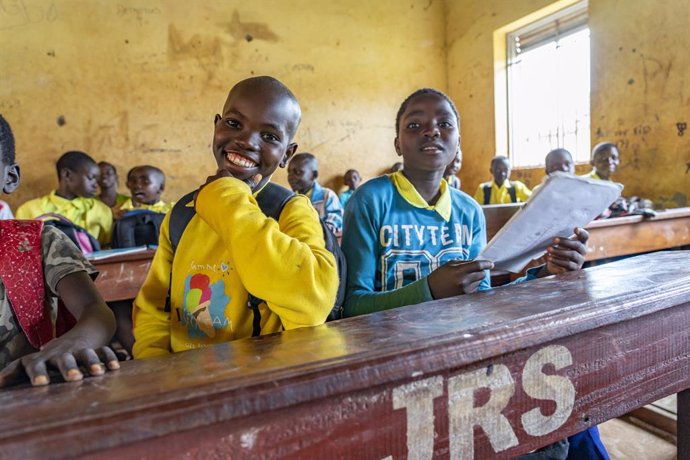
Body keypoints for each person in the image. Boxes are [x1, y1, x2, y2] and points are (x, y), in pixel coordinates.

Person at [341, 89, 607, 460]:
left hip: (463, 352)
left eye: (444, 124)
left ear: (458, 142)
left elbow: (483, 300)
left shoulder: (467, 210)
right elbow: (352, 306)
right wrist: (430, 289)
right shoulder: (371, 200)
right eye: (415, 125)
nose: (431, 132)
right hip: (396, 362)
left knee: (566, 412)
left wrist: (548, 271)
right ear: (397, 143)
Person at [132, 76, 338, 358]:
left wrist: (227, 198)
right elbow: (154, 311)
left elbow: (312, 304)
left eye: (269, 136)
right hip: (182, 385)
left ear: (287, 154)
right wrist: (156, 371)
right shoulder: (182, 213)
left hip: (257, 387)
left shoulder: (291, 210)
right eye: (234, 123)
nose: (245, 141)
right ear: (217, 125)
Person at [0, 114, 118, 387]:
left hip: (27, 401)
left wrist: (69, 346)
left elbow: (95, 311)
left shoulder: (38, 242)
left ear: (10, 176)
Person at [16, 150, 113, 247]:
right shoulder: (28, 210)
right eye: (91, 178)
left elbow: (107, 249)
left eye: (97, 180)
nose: (96, 185)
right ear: (67, 174)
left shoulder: (102, 210)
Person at [287, 152, 344, 235]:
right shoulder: (290, 199)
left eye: (298, 172)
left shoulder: (327, 196)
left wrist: (323, 232)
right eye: (289, 172)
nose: (291, 177)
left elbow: (336, 219)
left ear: (314, 175)